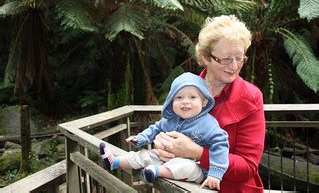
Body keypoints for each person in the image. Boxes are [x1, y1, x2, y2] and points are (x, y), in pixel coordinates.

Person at [153, 15, 266, 192]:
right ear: (206, 57)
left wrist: (197, 152)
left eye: (239, 57)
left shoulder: (251, 97)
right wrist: (162, 143)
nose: (234, 65)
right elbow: (169, 128)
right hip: (187, 186)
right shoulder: (185, 91)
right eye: (226, 59)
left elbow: (248, 168)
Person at [99, 72, 229, 190]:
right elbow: (155, 128)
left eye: (192, 97)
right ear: (171, 101)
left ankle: (156, 171)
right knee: (145, 155)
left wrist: (215, 174)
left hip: (196, 168)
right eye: (179, 97)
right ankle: (115, 162)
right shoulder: (170, 120)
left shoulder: (208, 124)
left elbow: (221, 145)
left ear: (204, 101)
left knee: (185, 166)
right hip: (166, 159)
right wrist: (141, 138)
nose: (185, 102)